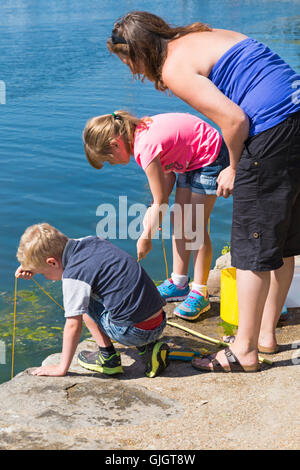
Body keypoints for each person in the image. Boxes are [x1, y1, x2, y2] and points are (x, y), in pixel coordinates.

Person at [107, 11, 300, 372]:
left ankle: (244, 350)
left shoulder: (173, 68)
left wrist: (233, 165)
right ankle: (265, 335)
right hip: (296, 114)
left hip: (271, 129)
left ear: (138, 52)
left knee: (251, 246)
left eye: (127, 61)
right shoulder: (205, 34)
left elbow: (234, 119)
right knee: (283, 240)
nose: (132, 70)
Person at [83, 110, 229, 320]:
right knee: (177, 219)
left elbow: (161, 201)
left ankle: (200, 292)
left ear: (115, 144)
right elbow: (166, 173)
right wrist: (157, 203)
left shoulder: (144, 147)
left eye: (109, 160)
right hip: (189, 157)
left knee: (194, 225)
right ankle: (179, 283)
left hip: (209, 155)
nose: (112, 164)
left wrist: (145, 238)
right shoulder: (138, 136)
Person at [15, 223, 169, 378]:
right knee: (119, 294)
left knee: (82, 303)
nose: (45, 277)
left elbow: (73, 325)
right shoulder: (93, 240)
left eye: (43, 274)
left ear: (52, 263)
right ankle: (148, 348)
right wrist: (29, 265)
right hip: (159, 320)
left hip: (132, 333)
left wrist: (61, 367)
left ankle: (108, 358)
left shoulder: (74, 274)